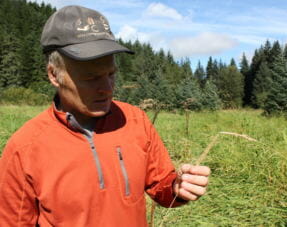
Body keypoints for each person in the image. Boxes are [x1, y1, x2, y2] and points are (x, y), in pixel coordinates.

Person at [0, 5, 210, 226]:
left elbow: (161, 187)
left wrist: (177, 187)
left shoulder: (135, 120)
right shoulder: (25, 148)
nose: (107, 88)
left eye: (111, 74)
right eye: (91, 78)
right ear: (54, 74)